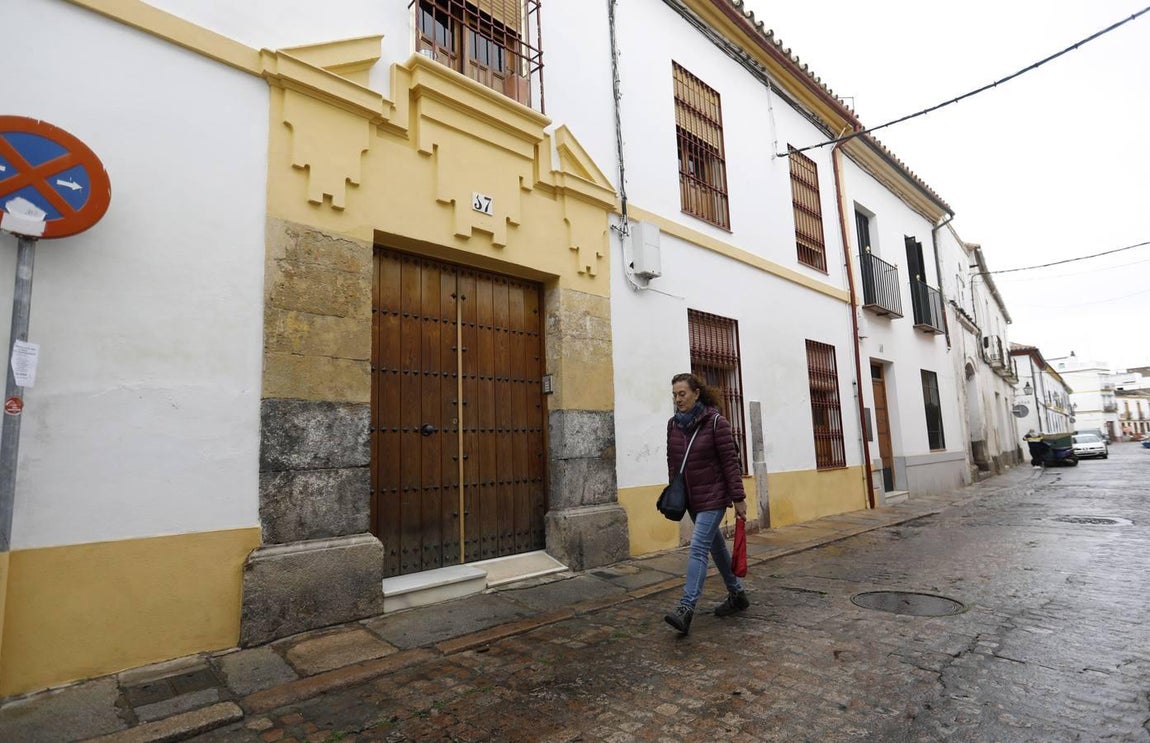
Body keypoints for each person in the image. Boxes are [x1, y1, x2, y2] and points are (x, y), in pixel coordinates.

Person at [663, 372, 749, 634]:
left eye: (683, 394)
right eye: (675, 395)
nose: (678, 399)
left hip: (714, 497)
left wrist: (738, 499)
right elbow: (673, 462)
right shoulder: (673, 425)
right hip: (692, 499)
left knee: (698, 547)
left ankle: (686, 607)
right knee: (717, 548)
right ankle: (737, 594)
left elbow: (729, 463)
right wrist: (675, 492)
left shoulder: (715, 423)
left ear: (696, 393)